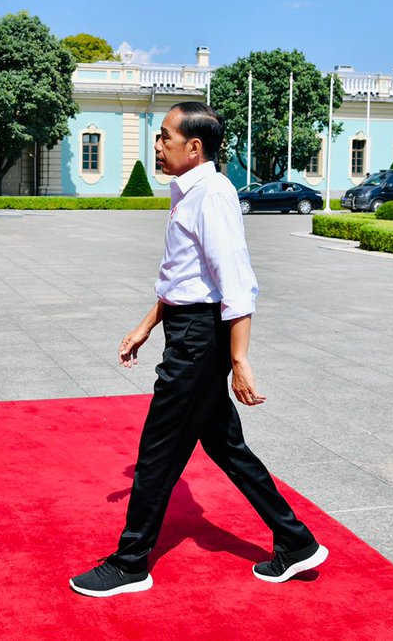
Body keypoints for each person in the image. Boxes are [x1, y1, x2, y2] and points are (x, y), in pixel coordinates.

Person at [70, 101, 327, 597]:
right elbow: (186, 277)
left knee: (157, 453)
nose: (157, 145)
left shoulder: (212, 195)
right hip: (186, 326)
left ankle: (130, 563)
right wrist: (148, 323)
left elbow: (235, 284)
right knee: (225, 445)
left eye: (165, 137)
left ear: (194, 146)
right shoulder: (187, 191)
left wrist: (239, 360)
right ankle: (295, 542)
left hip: (199, 339)